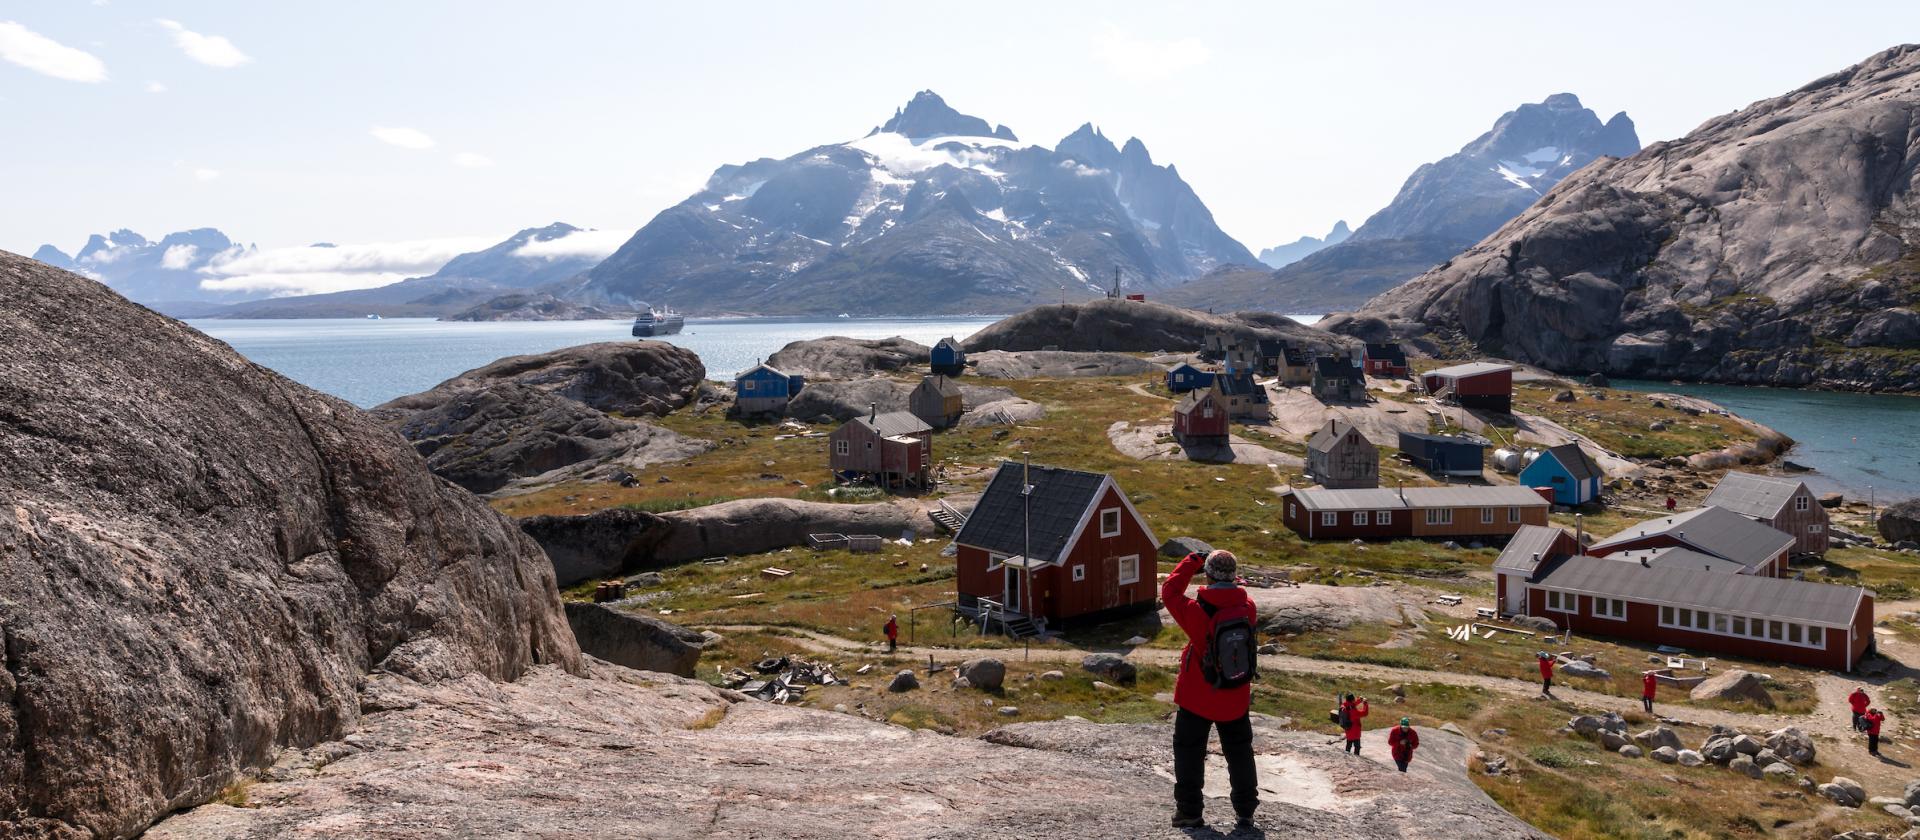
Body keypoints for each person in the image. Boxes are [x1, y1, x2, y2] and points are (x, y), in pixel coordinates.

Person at [1162, 549, 1260, 831]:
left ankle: (1190, 813)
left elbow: (1169, 591)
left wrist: (1191, 561)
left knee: (1190, 753)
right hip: (1235, 694)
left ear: (1208, 574)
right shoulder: (1248, 607)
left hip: (1197, 697)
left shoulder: (1195, 610)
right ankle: (1245, 814)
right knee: (1240, 753)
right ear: (1235, 577)